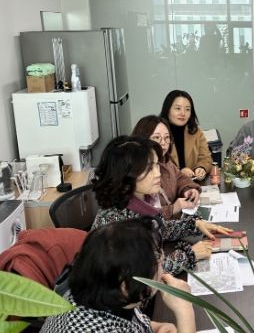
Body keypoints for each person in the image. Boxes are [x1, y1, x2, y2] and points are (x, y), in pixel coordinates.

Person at [31, 218, 201, 333]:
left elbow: (122, 319)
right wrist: (185, 310)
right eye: (157, 259)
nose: (161, 262)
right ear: (125, 284)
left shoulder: (90, 290)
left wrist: (154, 327)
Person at [91, 136, 231, 274]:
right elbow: (143, 275)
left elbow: (159, 229)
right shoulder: (114, 222)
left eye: (156, 165)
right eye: (148, 168)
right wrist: (190, 255)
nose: (158, 173)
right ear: (125, 174)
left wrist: (194, 225)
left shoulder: (140, 200)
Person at [131, 115, 201, 219]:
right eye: (156, 137)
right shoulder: (136, 168)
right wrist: (173, 208)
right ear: (143, 139)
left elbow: (179, 178)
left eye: (167, 137)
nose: (163, 143)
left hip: (171, 224)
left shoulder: (165, 160)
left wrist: (188, 189)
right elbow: (141, 214)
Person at [159, 90, 212, 180]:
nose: (183, 113)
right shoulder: (157, 133)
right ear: (167, 109)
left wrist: (201, 168)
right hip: (166, 184)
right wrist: (179, 172)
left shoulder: (195, 132)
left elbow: (206, 158)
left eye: (187, 109)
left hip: (191, 184)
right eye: (178, 108)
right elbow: (156, 164)